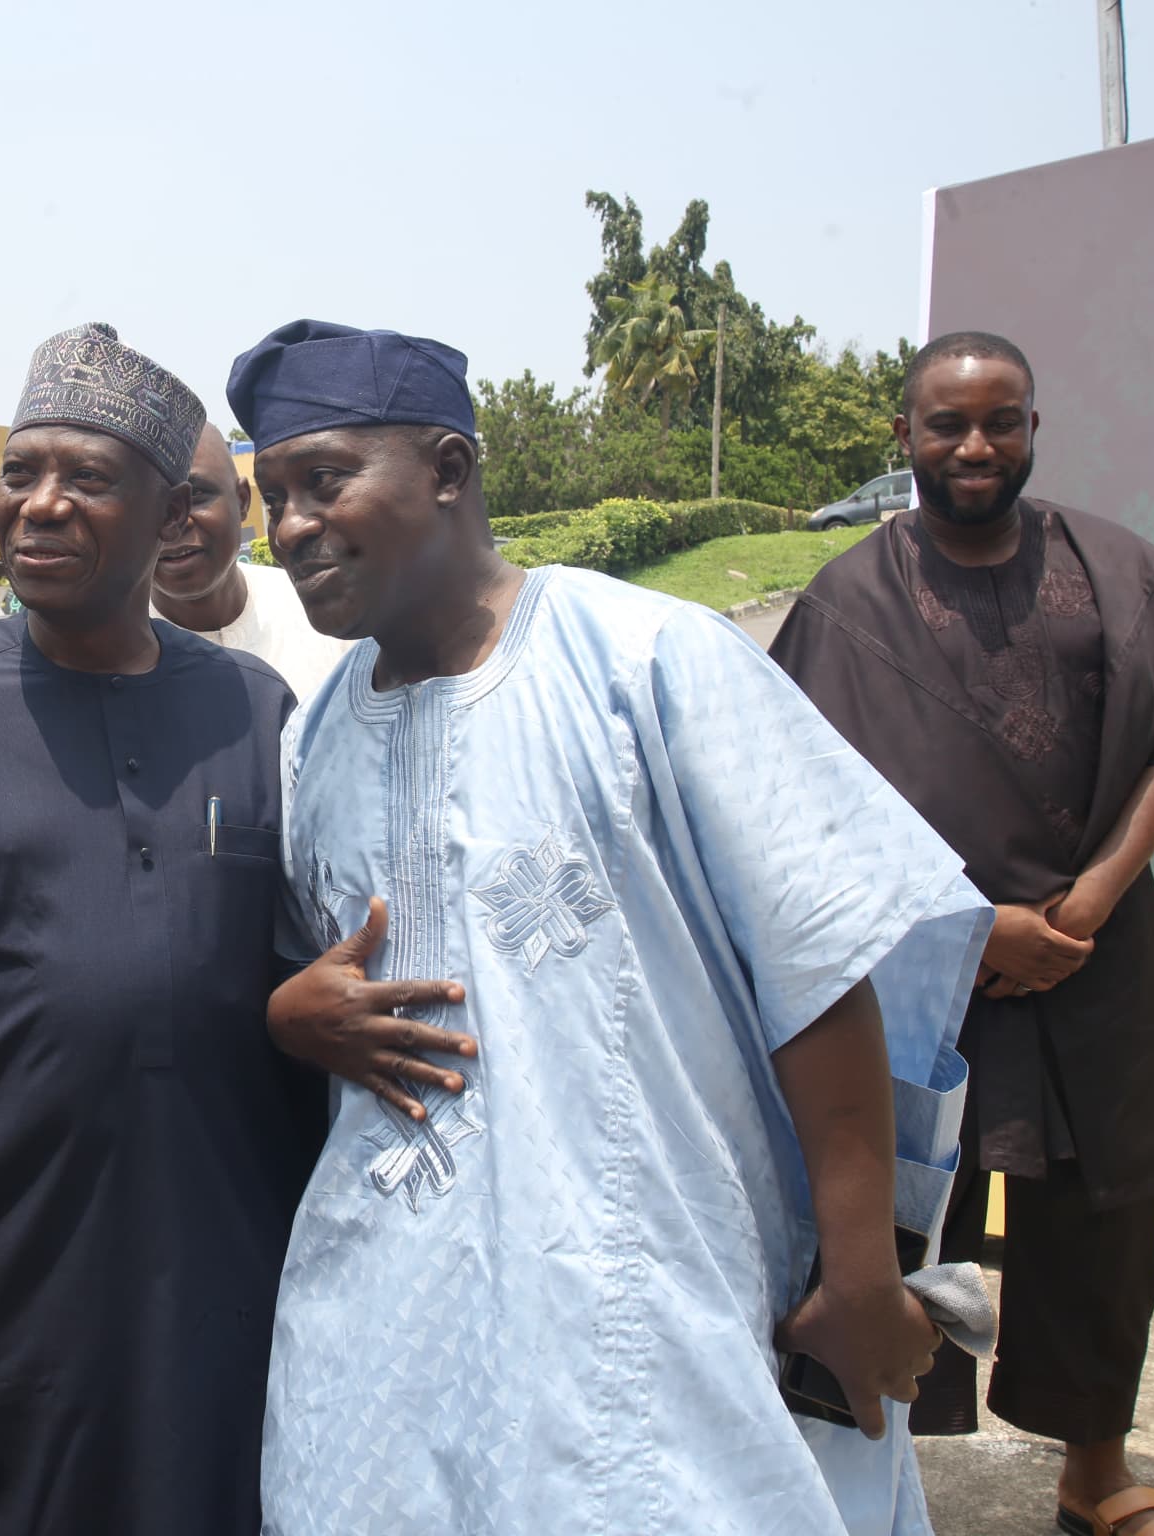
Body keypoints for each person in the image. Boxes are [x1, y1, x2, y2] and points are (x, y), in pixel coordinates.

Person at [229, 321, 993, 1536]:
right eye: (273, 494)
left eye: (326, 480)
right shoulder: (313, 740)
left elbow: (826, 954)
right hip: (389, 1319)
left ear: (448, 469)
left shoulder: (642, 659)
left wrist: (859, 1272)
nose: (294, 524)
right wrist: (289, 1016)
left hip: (640, 1298)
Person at [0, 323, 328, 1536]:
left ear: (171, 521)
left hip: (229, 1290)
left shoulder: (251, 710)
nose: (39, 505)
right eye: (19, 471)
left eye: (88, 479)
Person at [769, 332, 1154, 1536]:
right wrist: (970, 926)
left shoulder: (1121, 571)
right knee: (895, 1216)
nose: (976, 446)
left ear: (1034, 427)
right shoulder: (846, 604)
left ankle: (1097, 1473)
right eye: (948, 424)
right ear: (906, 439)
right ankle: (867, 1486)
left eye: (1003, 421)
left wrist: (1090, 898)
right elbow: (800, 799)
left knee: (1101, 1220)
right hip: (921, 972)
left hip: (1096, 958)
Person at [152, 421, 351, 697]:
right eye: (150, 503)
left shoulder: (320, 610)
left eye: (195, 495)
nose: (174, 523)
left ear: (242, 500)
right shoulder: (104, 651)